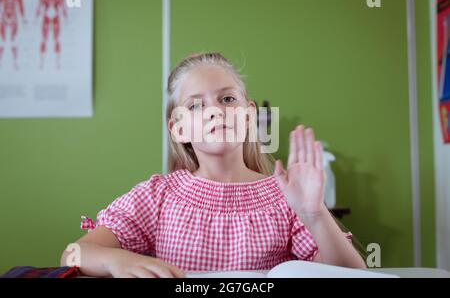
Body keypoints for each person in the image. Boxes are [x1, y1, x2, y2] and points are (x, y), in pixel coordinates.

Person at [60, 52, 366, 278]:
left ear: (248, 117)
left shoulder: (284, 197)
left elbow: (354, 275)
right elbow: (72, 254)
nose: (215, 112)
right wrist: (117, 262)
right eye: (196, 105)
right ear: (179, 128)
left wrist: (314, 214)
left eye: (227, 100)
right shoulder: (158, 196)